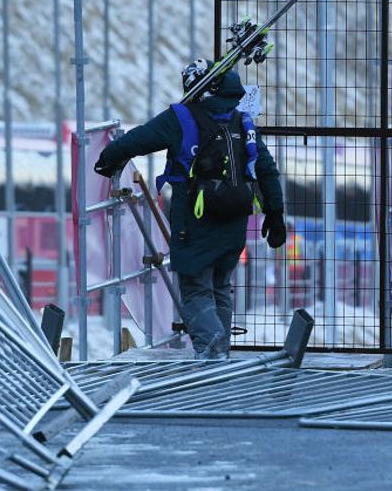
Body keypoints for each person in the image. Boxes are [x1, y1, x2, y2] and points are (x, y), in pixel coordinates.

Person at [93, 60, 287, 359]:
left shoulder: (182, 118)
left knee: (195, 288)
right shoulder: (242, 121)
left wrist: (107, 158)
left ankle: (211, 352)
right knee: (221, 285)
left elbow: (139, 138)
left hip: (195, 221)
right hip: (235, 221)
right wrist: (275, 213)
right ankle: (221, 353)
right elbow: (267, 169)